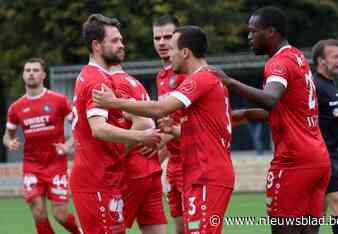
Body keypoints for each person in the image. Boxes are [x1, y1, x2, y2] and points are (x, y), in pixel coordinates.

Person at [92, 25, 235, 234]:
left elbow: (161, 108)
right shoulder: (204, 79)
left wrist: (114, 103)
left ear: (185, 52)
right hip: (199, 173)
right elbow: (207, 130)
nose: (168, 52)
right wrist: (175, 130)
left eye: (172, 48)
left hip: (208, 174)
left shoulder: (202, 78)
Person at [218, 6, 330, 234]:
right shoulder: (297, 56)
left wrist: (229, 82)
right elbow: (287, 109)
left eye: (252, 31)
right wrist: (247, 114)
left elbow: (270, 99)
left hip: (293, 162)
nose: (249, 37)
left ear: (270, 32)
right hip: (318, 159)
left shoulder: (278, 63)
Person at [69, 14, 161, 234]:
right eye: (114, 41)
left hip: (107, 177)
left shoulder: (101, 77)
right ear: (96, 45)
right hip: (95, 179)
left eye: (121, 39)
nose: (121, 45)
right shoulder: (95, 79)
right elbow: (98, 129)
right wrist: (141, 137)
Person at [3, 57, 81, 234]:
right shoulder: (16, 107)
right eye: (28, 70)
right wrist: (10, 142)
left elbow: (79, 125)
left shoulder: (58, 100)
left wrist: (68, 144)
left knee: (60, 215)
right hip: (32, 166)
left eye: (35, 70)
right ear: (23, 75)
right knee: (38, 214)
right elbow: (7, 136)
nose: (31, 73)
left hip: (56, 165)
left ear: (43, 75)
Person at [106, 66, 167, 233]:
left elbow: (143, 123)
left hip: (131, 172)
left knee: (105, 228)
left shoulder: (113, 83)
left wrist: (114, 157)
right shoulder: (134, 82)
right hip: (150, 170)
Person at [312, 39, 338, 234]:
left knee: (316, 213)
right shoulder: (313, 87)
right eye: (335, 57)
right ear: (321, 61)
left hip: (331, 158)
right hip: (320, 158)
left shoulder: (332, 86)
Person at [153, 15, 187, 234]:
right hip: (174, 164)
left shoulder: (190, 73)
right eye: (157, 38)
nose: (162, 42)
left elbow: (191, 123)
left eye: (167, 37)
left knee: (198, 228)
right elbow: (168, 122)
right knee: (180, 229)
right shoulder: (161, 76)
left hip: (194, 162)